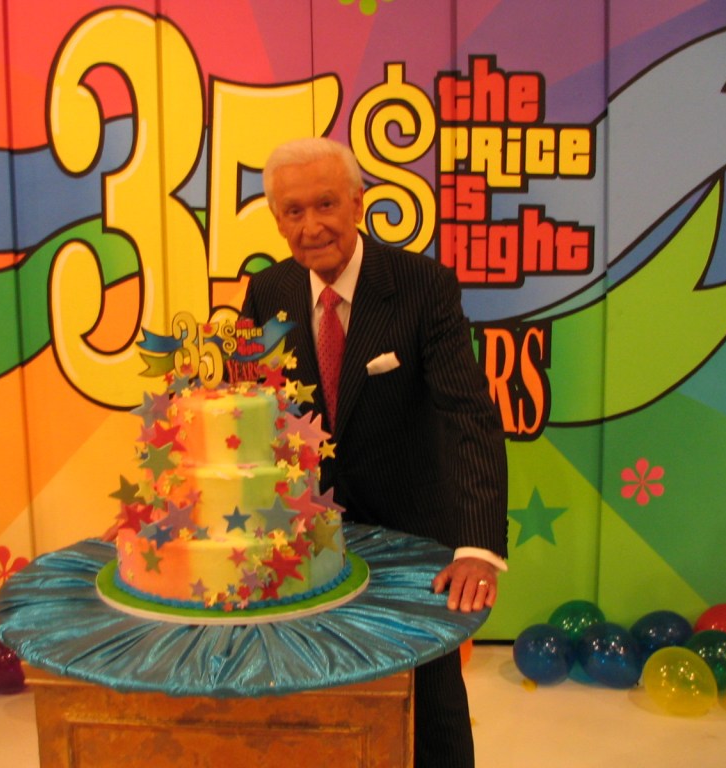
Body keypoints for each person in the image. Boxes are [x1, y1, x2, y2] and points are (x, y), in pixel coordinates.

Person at [241, 137, 509, 768]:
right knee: (319, 701)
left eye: (327, 203)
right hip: (307, 543)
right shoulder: (265, 292)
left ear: (358, 203)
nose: (313, 226)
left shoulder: (422, 285)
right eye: (294, 211)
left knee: (433, 701)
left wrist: (477, 546)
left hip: (415, 532)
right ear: (277, 220)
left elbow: (467, 415)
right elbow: (258, 417)